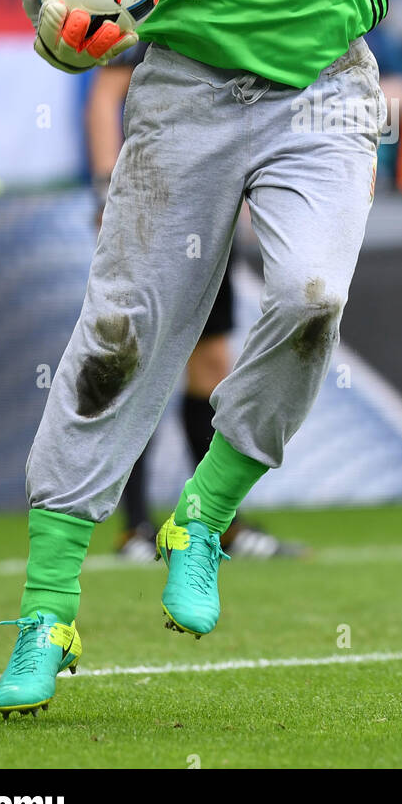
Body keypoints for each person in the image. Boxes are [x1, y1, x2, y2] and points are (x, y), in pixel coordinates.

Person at [0, 0, 402, 716]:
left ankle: (206, 513)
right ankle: (45, 612)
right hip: (184, 97)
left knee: (313, 296)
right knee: (120, 337)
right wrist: (76, 34)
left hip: (326, 84)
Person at [85, 42, 307, 561]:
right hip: (155, 202)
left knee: (210, 364)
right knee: (135, 362)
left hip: (210, 206)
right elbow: (105, 96)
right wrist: (105, 190)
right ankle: (134, 527)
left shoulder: (236, 1)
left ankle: (215, 521)